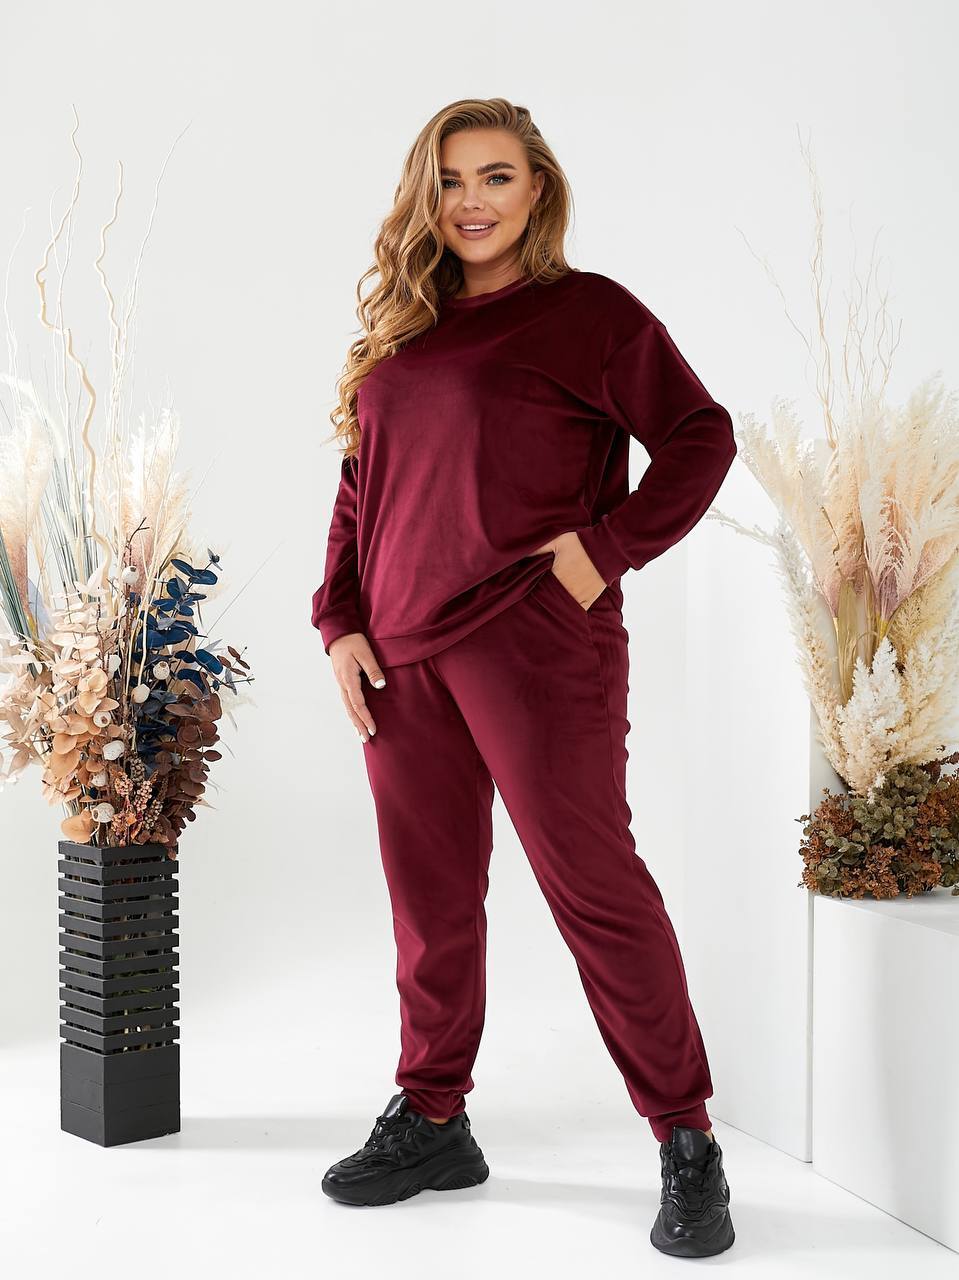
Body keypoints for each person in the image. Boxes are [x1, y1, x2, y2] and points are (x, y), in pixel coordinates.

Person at [311, 97, 736, 1259]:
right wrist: (337, 618)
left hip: (536, 643)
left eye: (495, 176)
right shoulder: (401, 331)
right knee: (430, 902)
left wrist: (606, 549)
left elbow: (700, 434)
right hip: (399, 659)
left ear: (535, 188)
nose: (471, 201)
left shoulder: (589, 314)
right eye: (450, 180)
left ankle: (685, 1137)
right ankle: (433, 1116)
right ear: (425, 195)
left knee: (593, 886)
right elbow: (360, 488)